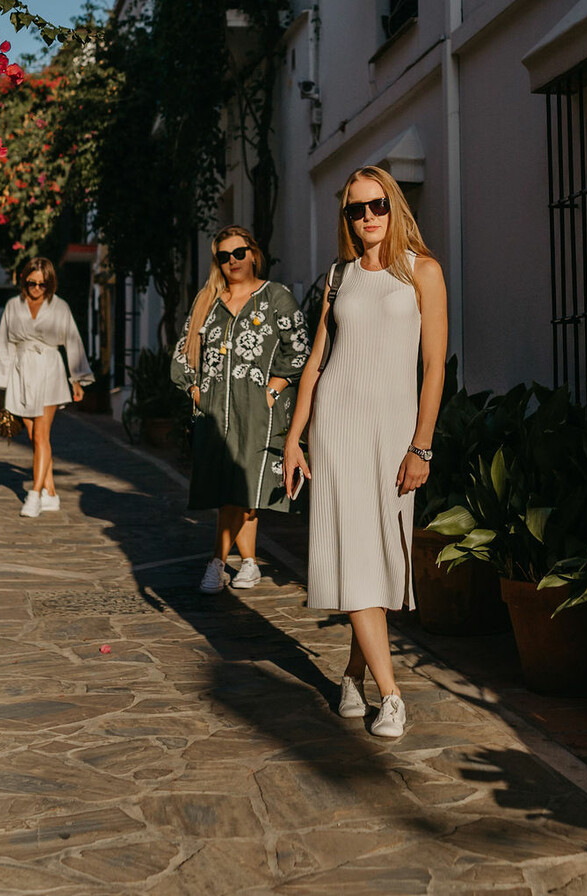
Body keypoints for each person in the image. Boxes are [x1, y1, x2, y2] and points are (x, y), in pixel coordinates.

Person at [283, 166, 447, 740]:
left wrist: (422, 446)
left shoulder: (424, 272)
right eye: (355, 209)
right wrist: (294, 437)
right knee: (356, 552)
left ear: (393, 206)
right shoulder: (337, 277)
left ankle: (353, 673)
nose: (367, 217)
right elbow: (315, 365)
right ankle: (391, 692)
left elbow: (433, 369)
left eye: (376, 205)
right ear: (346, 218)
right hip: (338, 427)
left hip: (395, 431)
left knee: (378, 556)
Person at [172, 226, 310, 594]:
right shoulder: (208, 303)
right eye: (223, 256)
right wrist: (198, 393)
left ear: (253, 253)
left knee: (246, 489)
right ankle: (247, 563)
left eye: (238, 253)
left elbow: (298, 350)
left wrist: (273, 389)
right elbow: (181, 358)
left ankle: (218, 562)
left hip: (260, 413)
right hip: (216, 415)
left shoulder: (276, 297)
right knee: (232, 491)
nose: (232, 261)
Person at [0, 256, 91, 518]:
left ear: (50, 284)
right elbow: (4, 344)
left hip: (50, 371)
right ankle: (51, 493)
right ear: (24, 281)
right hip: (21, 374)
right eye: (31, 283)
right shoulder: (13, 306)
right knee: (35, 438)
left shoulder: (60, 307)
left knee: (42, 436)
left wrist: (76, 379)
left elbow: (73, 342)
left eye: (42, 285)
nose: (36, 289)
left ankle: (33, 495)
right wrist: (1, 384)